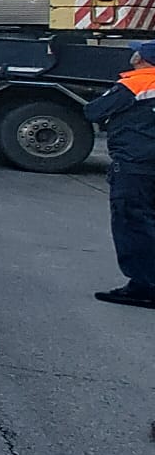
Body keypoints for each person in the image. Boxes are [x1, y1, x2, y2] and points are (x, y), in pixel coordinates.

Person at [86, 40, 155, 308]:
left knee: (133, 224)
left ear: (143, 58)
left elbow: (94, 111)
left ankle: (144, 287)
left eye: (135, 51)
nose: (132, 53)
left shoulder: (135, 83)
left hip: (135, 165)